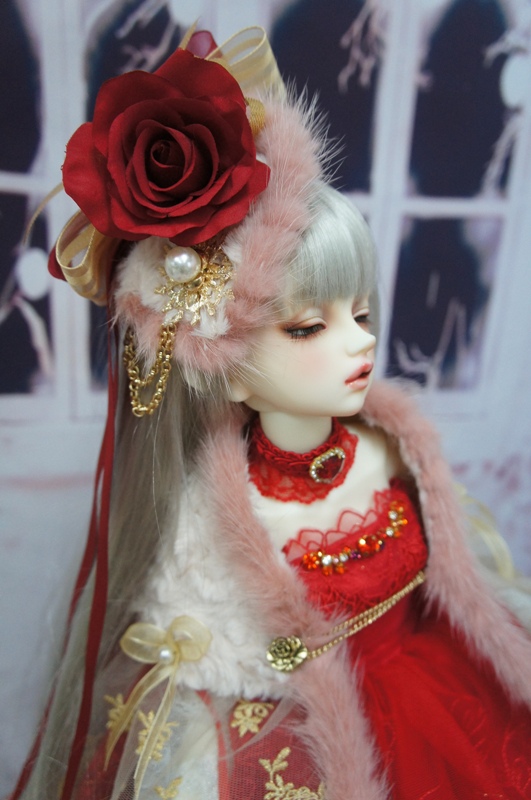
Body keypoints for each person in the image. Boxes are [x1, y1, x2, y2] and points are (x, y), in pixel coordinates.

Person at [12, 26, 531, 800]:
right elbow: (220, 656)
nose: (360, 343)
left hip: (441, 695)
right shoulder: (219, 523)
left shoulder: (391, 451)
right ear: (223, 370)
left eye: (361, 313)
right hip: (322, 726)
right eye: (306, 327)